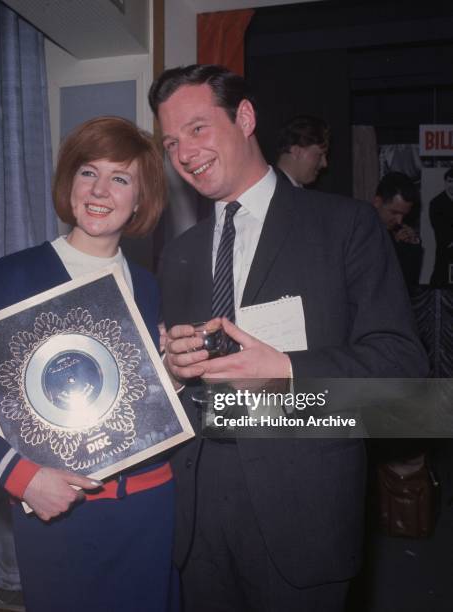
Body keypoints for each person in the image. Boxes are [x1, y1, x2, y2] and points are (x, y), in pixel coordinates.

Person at [148, 64, 428, 611]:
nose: (185, 153)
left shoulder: (345, 226)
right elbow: (183, 394)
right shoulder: (178, 254)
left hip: (302, 514)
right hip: (198, 519)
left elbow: (404, 377)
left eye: (199, 129)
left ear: (245, 117)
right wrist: (174, 374)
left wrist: (289, 373)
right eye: (171, 141)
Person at [0, 116, 178, 612]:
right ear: (69, 183)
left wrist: (175, 375)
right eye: (88, 172)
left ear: (141, 200)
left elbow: (144, 409)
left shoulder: (147, 286)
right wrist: (23, 478)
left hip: (150, 510)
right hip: (62, 516)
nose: (100, 190)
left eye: (120, 178)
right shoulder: (15, 275)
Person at [372, 171, 423, 286]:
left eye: (404, 215)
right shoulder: (356, 231)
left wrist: (410, 246)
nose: (399, 221)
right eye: (394, 212)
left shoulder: (396, 235)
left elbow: (407, 287)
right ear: (377, 202)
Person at [275, 115, 330, 187]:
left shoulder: (284, 188)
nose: (325, 164)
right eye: (319, 155)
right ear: (296, 151)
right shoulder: (279, 191)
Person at [429, 167, 453, 286]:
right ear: (445, 182)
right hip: (445, 253)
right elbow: (440, 231)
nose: (452, 185)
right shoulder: (436, 203)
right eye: (450, 181)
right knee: (441, 282)